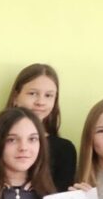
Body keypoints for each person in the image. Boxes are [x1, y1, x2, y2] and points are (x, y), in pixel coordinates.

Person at [6, 64, 77, 192]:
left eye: (48, 95)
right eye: (33, 93)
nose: (40, 102)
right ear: (16, 97)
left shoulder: (64, 150)